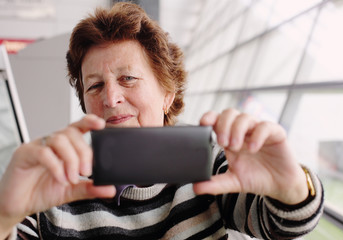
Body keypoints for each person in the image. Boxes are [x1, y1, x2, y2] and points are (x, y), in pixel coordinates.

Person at [0, 2, 324, 239]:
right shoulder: (58, 184)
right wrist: (4, 215)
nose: (110, 98)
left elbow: (286, 222)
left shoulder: (207, 163)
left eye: (127, 78)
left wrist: (290, 185)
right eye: (95, 85)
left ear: (167, 93)